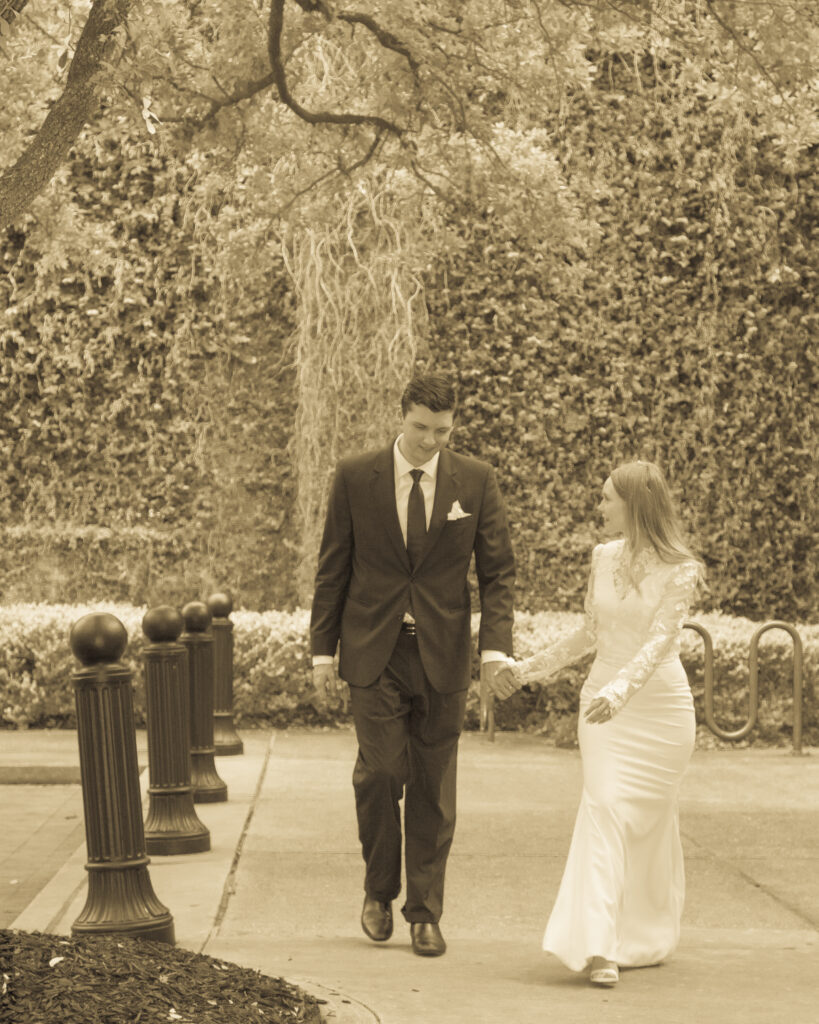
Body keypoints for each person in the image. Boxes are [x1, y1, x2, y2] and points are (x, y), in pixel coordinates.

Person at [310, 371, 516, 957]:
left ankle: (425, 911)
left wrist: (493, 651)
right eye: (421, 429)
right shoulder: (356, 476)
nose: (430, 442)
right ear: (402, 416)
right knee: (379, 774)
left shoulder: (474, 481)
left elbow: (499, 573)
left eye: (442, 431)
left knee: (433, 785)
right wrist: (323, 652)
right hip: (374, 652)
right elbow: (333, 568)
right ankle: (379, 890)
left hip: (442, 656)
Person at [500, 460, 703, 987]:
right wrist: (525, 671)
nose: (600, 506)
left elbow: (660, 642)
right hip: (601, 710)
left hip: (661, 713)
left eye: (608, 498)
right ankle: (599, 946)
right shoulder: (602, 556)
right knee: (605, 806)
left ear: (636, 504)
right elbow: (590, 634)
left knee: (649, 823)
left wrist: (622, 691)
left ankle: (644, 933)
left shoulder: (682, 568)